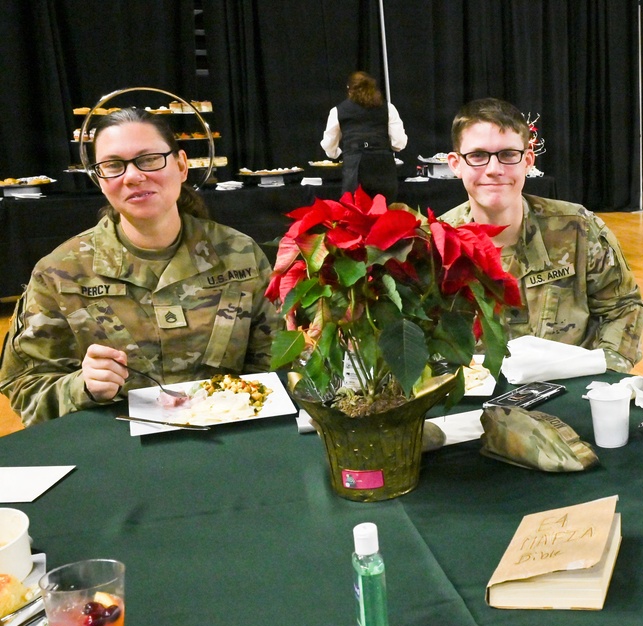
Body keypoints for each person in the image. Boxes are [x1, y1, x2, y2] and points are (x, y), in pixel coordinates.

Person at [0, 108, 279, 426]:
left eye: (148, 159)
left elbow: (275, 365)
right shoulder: (60, 274)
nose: (132, 176)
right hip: (114, 451)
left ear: (182, 165)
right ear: (99, 179)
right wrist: (83, 387)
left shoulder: (239, 256)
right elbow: (26, 390)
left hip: (230, 437)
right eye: (113, 165)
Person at [440, 97, 643, 373]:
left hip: (568, 391)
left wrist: (604, 373)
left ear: (527, 161)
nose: (494, 169)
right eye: (477, 156)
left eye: (508, 155)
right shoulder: (434, 244)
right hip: (473, 398)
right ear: (455, 163)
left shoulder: (578, 230)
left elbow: (623, 308)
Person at [321, 71, 407, 203]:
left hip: (355, 166)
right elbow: (399, 142)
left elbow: (329, 145)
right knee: (384, 211)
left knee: (356, 213)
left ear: (349, 90)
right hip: (383, 167)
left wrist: (336, 153)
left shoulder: (337, 110)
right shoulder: (388, 108)